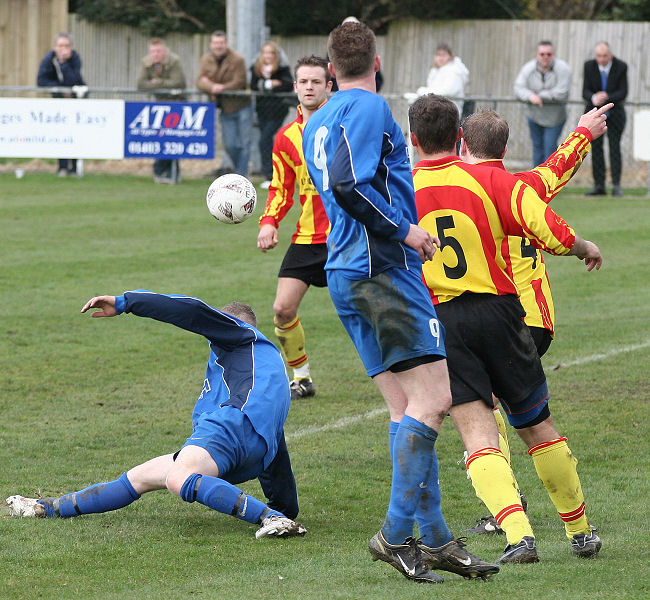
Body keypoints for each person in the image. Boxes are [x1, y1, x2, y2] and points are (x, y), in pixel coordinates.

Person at [302, 22, 498, 584]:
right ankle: (394, 533)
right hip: (380, 269)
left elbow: (336, 182)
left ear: (331, 69)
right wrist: (404, 231)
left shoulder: (319, 118)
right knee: (436, 398)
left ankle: (434, 539)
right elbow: (347, 183)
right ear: (377, 61)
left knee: (407, 407)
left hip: (347, 269)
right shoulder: (365, 110)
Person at [409, 93, 604, 564]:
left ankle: (519, 537)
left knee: (477, 433)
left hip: (444, 323)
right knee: (537, 426)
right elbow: (549, 227)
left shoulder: (399, 189)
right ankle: (579, 531)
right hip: (501, 312)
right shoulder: (489, 178)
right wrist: (583, 247)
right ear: (458, 137)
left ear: (412, 140)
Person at [6, 290, 306, 540]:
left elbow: (190, 309)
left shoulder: (240, 335)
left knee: (178, 478)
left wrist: (126, 302)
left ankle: (268, 519)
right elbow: (271, 442)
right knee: (139, 478)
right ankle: (45, 507)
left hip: (230, 431)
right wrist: (284, 504)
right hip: (249, 448)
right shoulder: (262, 370)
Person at [457, 105, 612, 536]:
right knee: (526, 416)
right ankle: (577, 527)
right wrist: (584, 131)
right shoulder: (523, 185)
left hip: (492, 315)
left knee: (483, 412)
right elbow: (556, 167)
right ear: (506, 148)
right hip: (536, 320)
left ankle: (508, 507)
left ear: (462, 143)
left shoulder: (455, 190)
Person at [257, 56, 332, 400]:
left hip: (346, 237)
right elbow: (281, 188)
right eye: (304, 82)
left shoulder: (343, 128)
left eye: (316, 81)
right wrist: (269, 222)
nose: (309, 87)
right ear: (295, 87)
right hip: (307, 238)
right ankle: (301, 377)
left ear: (329, 86)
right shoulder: (286, 138)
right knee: (282, 309)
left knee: (373, 313)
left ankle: (412, 378)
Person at [197, 31, 252, 177]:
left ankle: (242, 175)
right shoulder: (206, 59)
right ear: (211, 45)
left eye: (221, 43)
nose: (218, 46)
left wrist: (221, 87)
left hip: (242, 106)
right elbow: (200, 81)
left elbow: (239, 81)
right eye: (215, 43)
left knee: (245, 143)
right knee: (230, 145)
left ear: (226, 44)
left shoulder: (237, 59)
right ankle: (240, 171)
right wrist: (212, 87)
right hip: (225, 109)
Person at [137, 38, 187, 184]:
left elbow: (179, 83)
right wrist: (165, 86)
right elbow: (140, 84)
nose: (155, 54)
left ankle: (170, 172)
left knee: (172, 140)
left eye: (158, 51)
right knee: (160, 139)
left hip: (176, 105)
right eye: (152, 51)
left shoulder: (174, 61)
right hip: (158, 106)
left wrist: (157, 83)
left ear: (165, 51)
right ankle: (163, 172)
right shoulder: (146, 62)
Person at [37, 32, 87, 177]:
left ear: (71, 47)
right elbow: (41, 80)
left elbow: (75, 79)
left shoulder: (75, 58)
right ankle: (62, 167)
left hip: (76, 102)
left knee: (76, 134)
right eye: (60, 46)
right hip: (59, 103)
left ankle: (75, 168)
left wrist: (64, 64)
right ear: (55, 47)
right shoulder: (48, 59)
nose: (63, 49)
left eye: (66, 46)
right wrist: (59, 89)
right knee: (61, 134)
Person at [514, 41, 571, 167]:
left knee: (550, 149)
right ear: (537, 55)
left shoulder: (563, 68)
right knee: (537, 149)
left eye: (549, 54)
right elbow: (518, 88)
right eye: (542, 54)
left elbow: (562, 92)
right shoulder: (528, 68)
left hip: (555, 118)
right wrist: (530, 96)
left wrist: (539, 96)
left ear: (553, 55)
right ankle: (536, 183)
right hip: (534, 116)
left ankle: (551, 184)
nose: (545, 57)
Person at [582, 41, 628, 197]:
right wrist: (593, 97)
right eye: (599, 56)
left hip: (615, 115)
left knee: (615, 148)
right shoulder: (589, 66)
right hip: (595, 114)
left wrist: (606, 97)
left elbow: (623, 92)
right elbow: (585, 91)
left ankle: (616, 185)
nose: (602, 59)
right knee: (596, 149)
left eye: (605, 56)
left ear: (611, 55)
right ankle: (599, 186)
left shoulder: (621, 66)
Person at [250, 42, 294, 188]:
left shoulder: (282, 69)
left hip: (278, 110)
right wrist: (267, 84)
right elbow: (253, 85)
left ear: (275, 55)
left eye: (271, 53)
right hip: (262, 109)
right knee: (265, 141)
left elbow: (288, 85)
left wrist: (276, 84)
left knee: (265, 139)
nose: (268, 56)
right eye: (265, 52)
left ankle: (272, 175)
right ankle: (269, 175)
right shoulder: (256, 69)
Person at [415, 44, 469, 115]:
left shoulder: (454, 71)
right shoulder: (435, 72)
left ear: (450, 57)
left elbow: (447, 91)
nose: (440, 58)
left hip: (449, 113)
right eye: (438, 55)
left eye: (443, 55)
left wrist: (422, 91)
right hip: (438, 111)